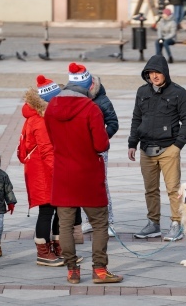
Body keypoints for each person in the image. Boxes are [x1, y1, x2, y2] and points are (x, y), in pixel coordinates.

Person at [44, 62, 123, 285]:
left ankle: (72, 270)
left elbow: (52, 140)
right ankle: (99, 269)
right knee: (99, 223)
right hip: (88, 174)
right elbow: (101, 144)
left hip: (63, 176)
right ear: (87, 85)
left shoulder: (51, 108)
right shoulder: (91, 109)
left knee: (65, 225)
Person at [128, 55, 186, 241]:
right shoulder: (142, 92)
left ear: (165, 72)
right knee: (150, 189)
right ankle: (153, 224)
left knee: (173, 189)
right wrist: (132, 143)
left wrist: (178, 145)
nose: (154, 76)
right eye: (150, 73)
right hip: (145, 148)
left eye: (158, 72)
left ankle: (176, 224)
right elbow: (136, 118)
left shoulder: (178, 93)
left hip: (169, 149)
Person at [17, 75, 64, 267]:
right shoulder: (41, 120)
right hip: (43, 172)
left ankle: (55, 247)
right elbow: (47, 151)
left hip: (40, 170)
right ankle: (43, 252)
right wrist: (60, 176)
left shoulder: (37, 116)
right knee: (47, 210)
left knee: (54, 209)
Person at [81, 68, 119, 237]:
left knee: (101, 184)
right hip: (81, 149)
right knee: (83, 185)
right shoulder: (80, 99)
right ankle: (88, 220)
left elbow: (113, 122)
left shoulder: (102, 100)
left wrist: (101, 139)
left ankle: (109, 222)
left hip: (99, 150)